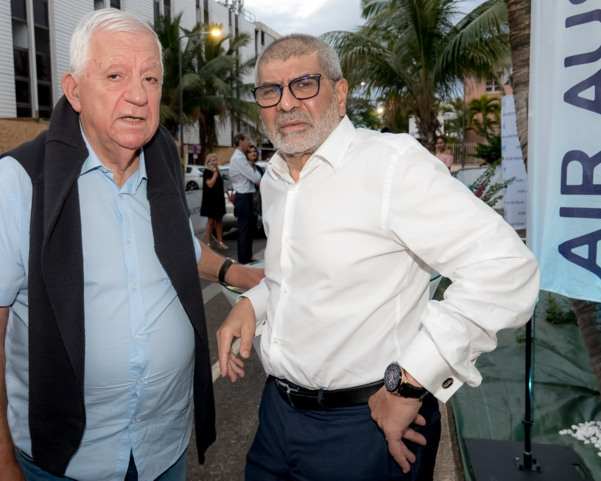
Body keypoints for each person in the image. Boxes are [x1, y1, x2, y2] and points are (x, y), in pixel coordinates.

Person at [0, 9, 263, 481]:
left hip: (163, 449)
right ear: (74, 90)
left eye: (150, 78)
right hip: (65, 463)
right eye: (115, 75)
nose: (137, 94)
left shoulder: (164, 166)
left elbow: (180, 251)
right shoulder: (18, 182)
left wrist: (235, 273)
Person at [216, 34, 539, 480]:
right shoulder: (274, 178)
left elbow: (506, 269)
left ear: (341, 92)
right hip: (276, 418)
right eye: (271, 91)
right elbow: (293, 276)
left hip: (368, 427)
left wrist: (410, 383)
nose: (286, 103)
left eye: (304, 84)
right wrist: (254, 304)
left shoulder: (391, 165)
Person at [229, 133, 261, 264]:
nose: (249, 142)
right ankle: (244, 261)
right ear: (240, 141)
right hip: (243, 197)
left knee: (248, 230)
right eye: (247, 140)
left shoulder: (240, 157)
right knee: (244, 230)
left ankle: (247, 257)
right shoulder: (239, 158)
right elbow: (256, 178)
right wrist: (255, 175)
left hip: (245, 197)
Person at [201, 153, 228, 250]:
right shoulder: (207, 172)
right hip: (210, 200)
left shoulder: (218, 171)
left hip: (219, 199)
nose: (214, 162)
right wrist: (215, 174)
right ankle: (208, 243)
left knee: (219, 220)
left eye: (215, 160)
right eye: (212, 160)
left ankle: (220, 242)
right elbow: (210, 184)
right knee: (211, 221)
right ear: (208, 162)